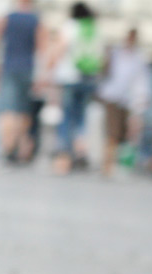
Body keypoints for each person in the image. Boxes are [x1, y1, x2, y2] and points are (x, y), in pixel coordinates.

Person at [47, 2, 104, 175]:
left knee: (67, 117)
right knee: (81, 119)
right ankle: (81, 151)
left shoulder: (70, 26)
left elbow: (61, 47)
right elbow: (101, 56)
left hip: (69, 76)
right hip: (89, 77)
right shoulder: (94, 28)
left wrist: (51, 66)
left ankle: (64, 157)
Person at [0, 0, 44, 164]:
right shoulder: (36, 20)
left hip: (9, 67)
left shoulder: (8, 18)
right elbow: (41, 48)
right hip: (28, 69)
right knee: (23, 111)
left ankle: (7, 148)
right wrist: (41, 75)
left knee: (7, 109)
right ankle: (21, 147)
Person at [97, 28, 150, 178]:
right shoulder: (115, 53)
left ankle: (113, 164)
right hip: (111, 97)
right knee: (111, 133)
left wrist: (142, 99)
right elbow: (104, 72)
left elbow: (141, 80)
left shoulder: (138, 57)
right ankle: (107, 165)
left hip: (127, 100)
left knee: (121, 134)